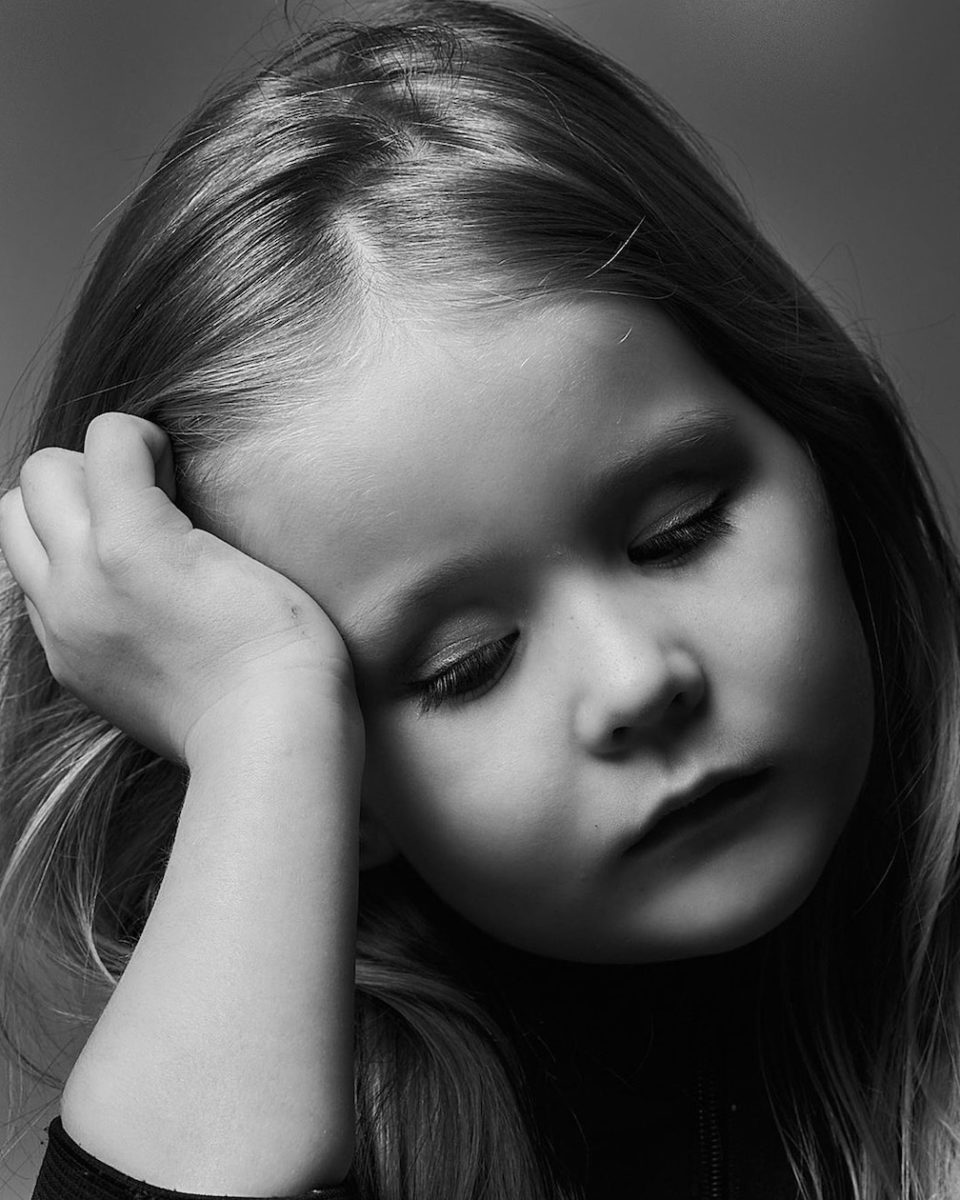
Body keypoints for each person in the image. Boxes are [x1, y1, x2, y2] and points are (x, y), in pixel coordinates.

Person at [0, 1, 958, 1197]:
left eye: (681, 532)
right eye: (468, 666)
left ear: (821, 452)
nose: (639, 680)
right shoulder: (362, 1125)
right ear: (341, 794)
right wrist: (262, 715)